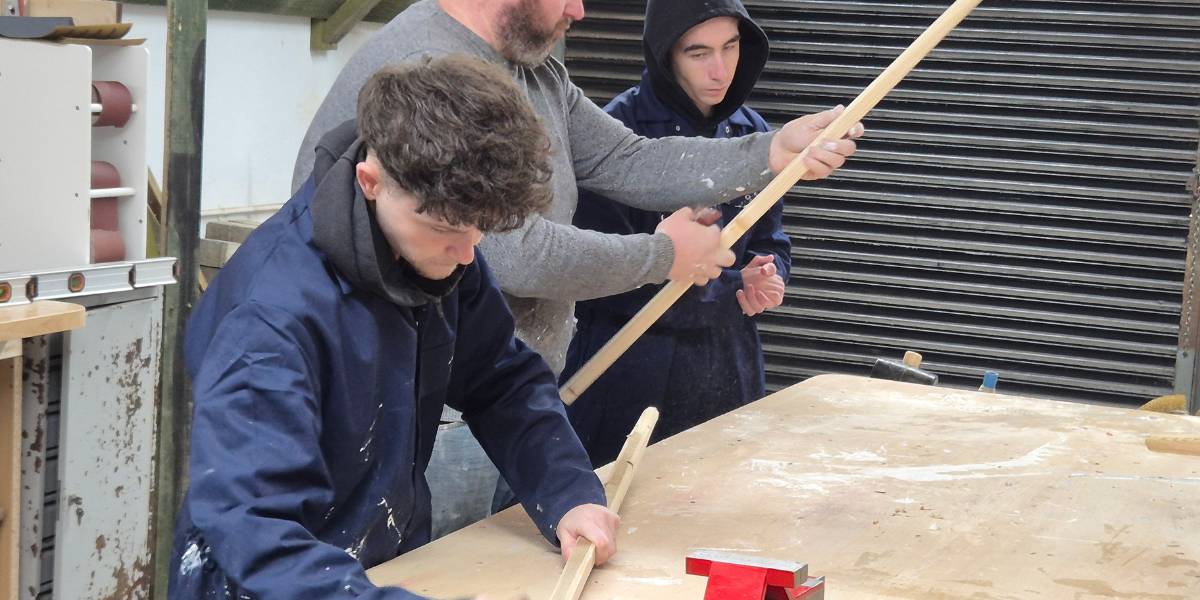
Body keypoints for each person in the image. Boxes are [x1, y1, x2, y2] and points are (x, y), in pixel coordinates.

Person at [293, 0, 863, 536]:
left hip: (505, 400)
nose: (579, 11)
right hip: (423, 418)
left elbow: (625, 157)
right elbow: (511, 252)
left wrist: (769, 152)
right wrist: (662, 256)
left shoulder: (537, 72)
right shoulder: (427, 72)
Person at [169, 56, 618, 600]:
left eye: (481, 228)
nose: (467, 251)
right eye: (446, 229)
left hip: (376, 567)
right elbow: (252, 527)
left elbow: (500, 381)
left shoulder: (441, 253)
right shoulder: (272, 318)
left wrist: (566, 489)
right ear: (371, 181)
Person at [561, 0, 790, 466]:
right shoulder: (616, 133)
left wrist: (768, 274)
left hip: (728, 361)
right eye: (698, 53)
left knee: (717, 501)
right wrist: (731, 287)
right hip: (627, 363)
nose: (720, 70)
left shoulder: (753, 132)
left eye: (731, 47)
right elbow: (603, 272)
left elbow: (771, 237)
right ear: (666, 54)